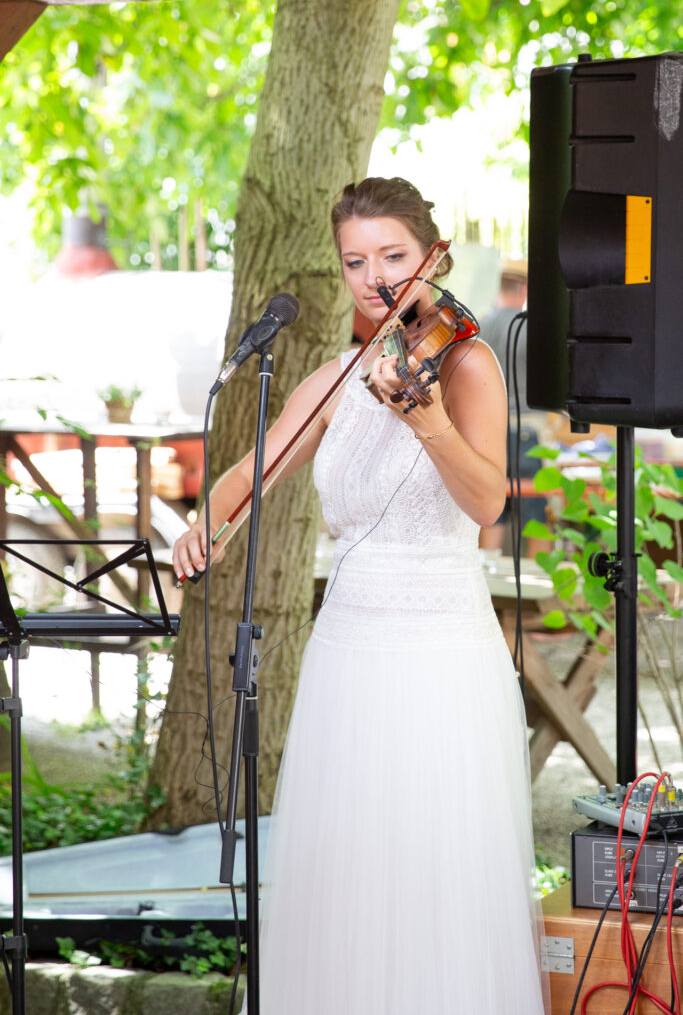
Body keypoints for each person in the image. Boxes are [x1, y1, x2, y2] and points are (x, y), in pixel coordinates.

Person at [172, 177, 547, 1014]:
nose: (376, 277)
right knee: (346, 869)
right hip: (348, 647)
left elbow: (486, 502)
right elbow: (252, 470)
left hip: (438, 650)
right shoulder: (341, 374)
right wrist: (205, 522)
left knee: (428, 868)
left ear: (429, 255)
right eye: (355, 261)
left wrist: (428, 422)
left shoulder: (465, 362)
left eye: (393, 256)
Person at [477, 257, 550, 557]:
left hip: (489, 432)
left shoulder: (479, 326)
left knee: (493, 511)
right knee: (536, 515)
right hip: (526, 431)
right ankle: (540, 589)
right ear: (525, 288)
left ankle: (491, 589)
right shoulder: (531, 329)